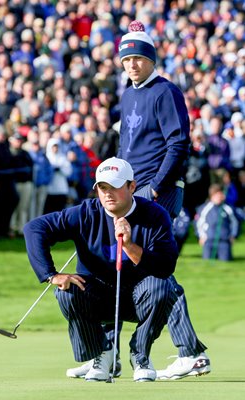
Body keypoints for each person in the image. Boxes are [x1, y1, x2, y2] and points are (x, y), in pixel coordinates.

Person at [68, 21, 211, 381]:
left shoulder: (166, 92)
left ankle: (189, 352)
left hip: (157, 192)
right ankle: (110, 352)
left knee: (153, 266)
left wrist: (154, 188)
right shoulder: (128, 93)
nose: (132, 64)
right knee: (128, 266)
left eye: (138, 58)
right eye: (126, 58)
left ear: (151, 59)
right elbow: (125, 147)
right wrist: (108, 184)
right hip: (130, 189)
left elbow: (178, 144)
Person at [23, 157, 179, 382]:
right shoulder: (86, 212)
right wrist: (51, 274)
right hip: (97, 297)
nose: (107, 194)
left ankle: (140, 353)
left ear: (132, 187)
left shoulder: (155, 215)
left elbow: (166, 266)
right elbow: (34, 228)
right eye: (102, 188)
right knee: (67, 290)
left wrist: (128, 245)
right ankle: (102, 354)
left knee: (163, 285)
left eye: (114, 187)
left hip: (140, 298)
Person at [195, 183, 239, 261]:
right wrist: (201, 236)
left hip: (224, 241)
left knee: (225, 260)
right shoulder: (205, 208)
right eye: (218, 195)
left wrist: (233, 235)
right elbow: (199, 223)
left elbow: (234, 223)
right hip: (209, 241)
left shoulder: (228, 208)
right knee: (207, 262)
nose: (221, 197)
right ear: (212, 195)